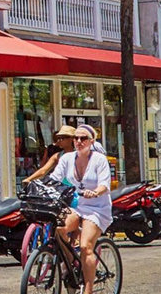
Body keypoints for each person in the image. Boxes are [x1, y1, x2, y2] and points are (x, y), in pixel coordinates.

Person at [49, 124, 112, 294]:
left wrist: (95, 192)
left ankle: (88, 289)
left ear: (91, 141)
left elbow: (104, 185)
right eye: (76, 138)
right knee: (59, 229)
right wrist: (39, 186)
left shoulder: (99, 160)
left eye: (83, 138)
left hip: (97, 208)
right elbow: (54, 179)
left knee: (86, 247)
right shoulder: (66, 159)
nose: (78, 141)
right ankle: (69, 271)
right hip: (77, 205)